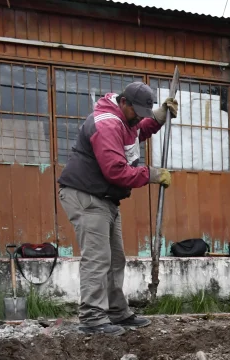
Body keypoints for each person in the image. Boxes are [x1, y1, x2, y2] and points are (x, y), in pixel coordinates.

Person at [58, 82, 178, 335]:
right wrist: (151, 174)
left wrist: (156, 120)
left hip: (105, 198)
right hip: (86, 195)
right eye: (138, 113)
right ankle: (92, 317)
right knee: (98, 258)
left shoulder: (122, 120)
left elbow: (135, 132)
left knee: (115, 258)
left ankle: (115, 312)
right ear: (124, 102)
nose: (139, 119)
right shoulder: (107, 124)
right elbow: (115, 170)